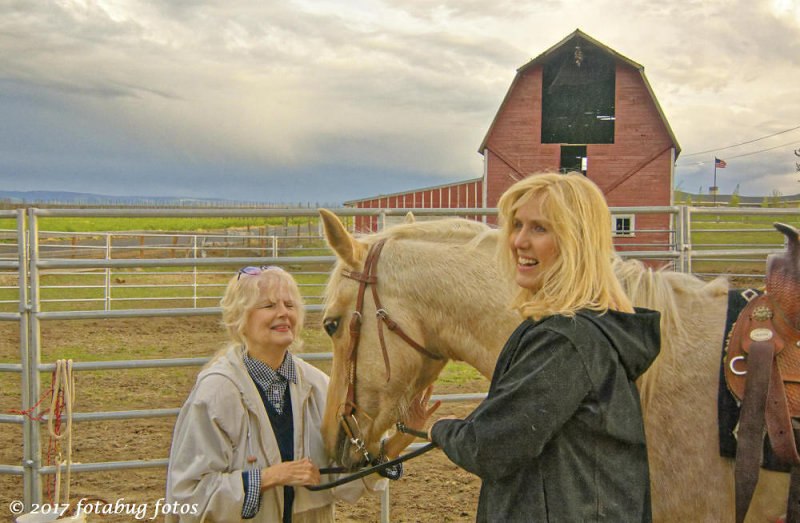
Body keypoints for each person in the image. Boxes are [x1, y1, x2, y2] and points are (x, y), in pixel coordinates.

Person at [428, 173, 661, 522]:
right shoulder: (589, 329)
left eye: (539, 228)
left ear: (576, 242)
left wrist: (440, 429)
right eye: (517, 224)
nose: (518, 241)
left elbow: (491, 447)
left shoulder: (564, 341)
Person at [166, 265, 436, 522]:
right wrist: (269, 477)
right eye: (269, 306)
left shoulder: (319, 386)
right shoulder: (215, 394)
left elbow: (346, 475)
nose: (284, 313)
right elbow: (187, 497)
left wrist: (403, 437)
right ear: (240, 320)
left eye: (290, 305)